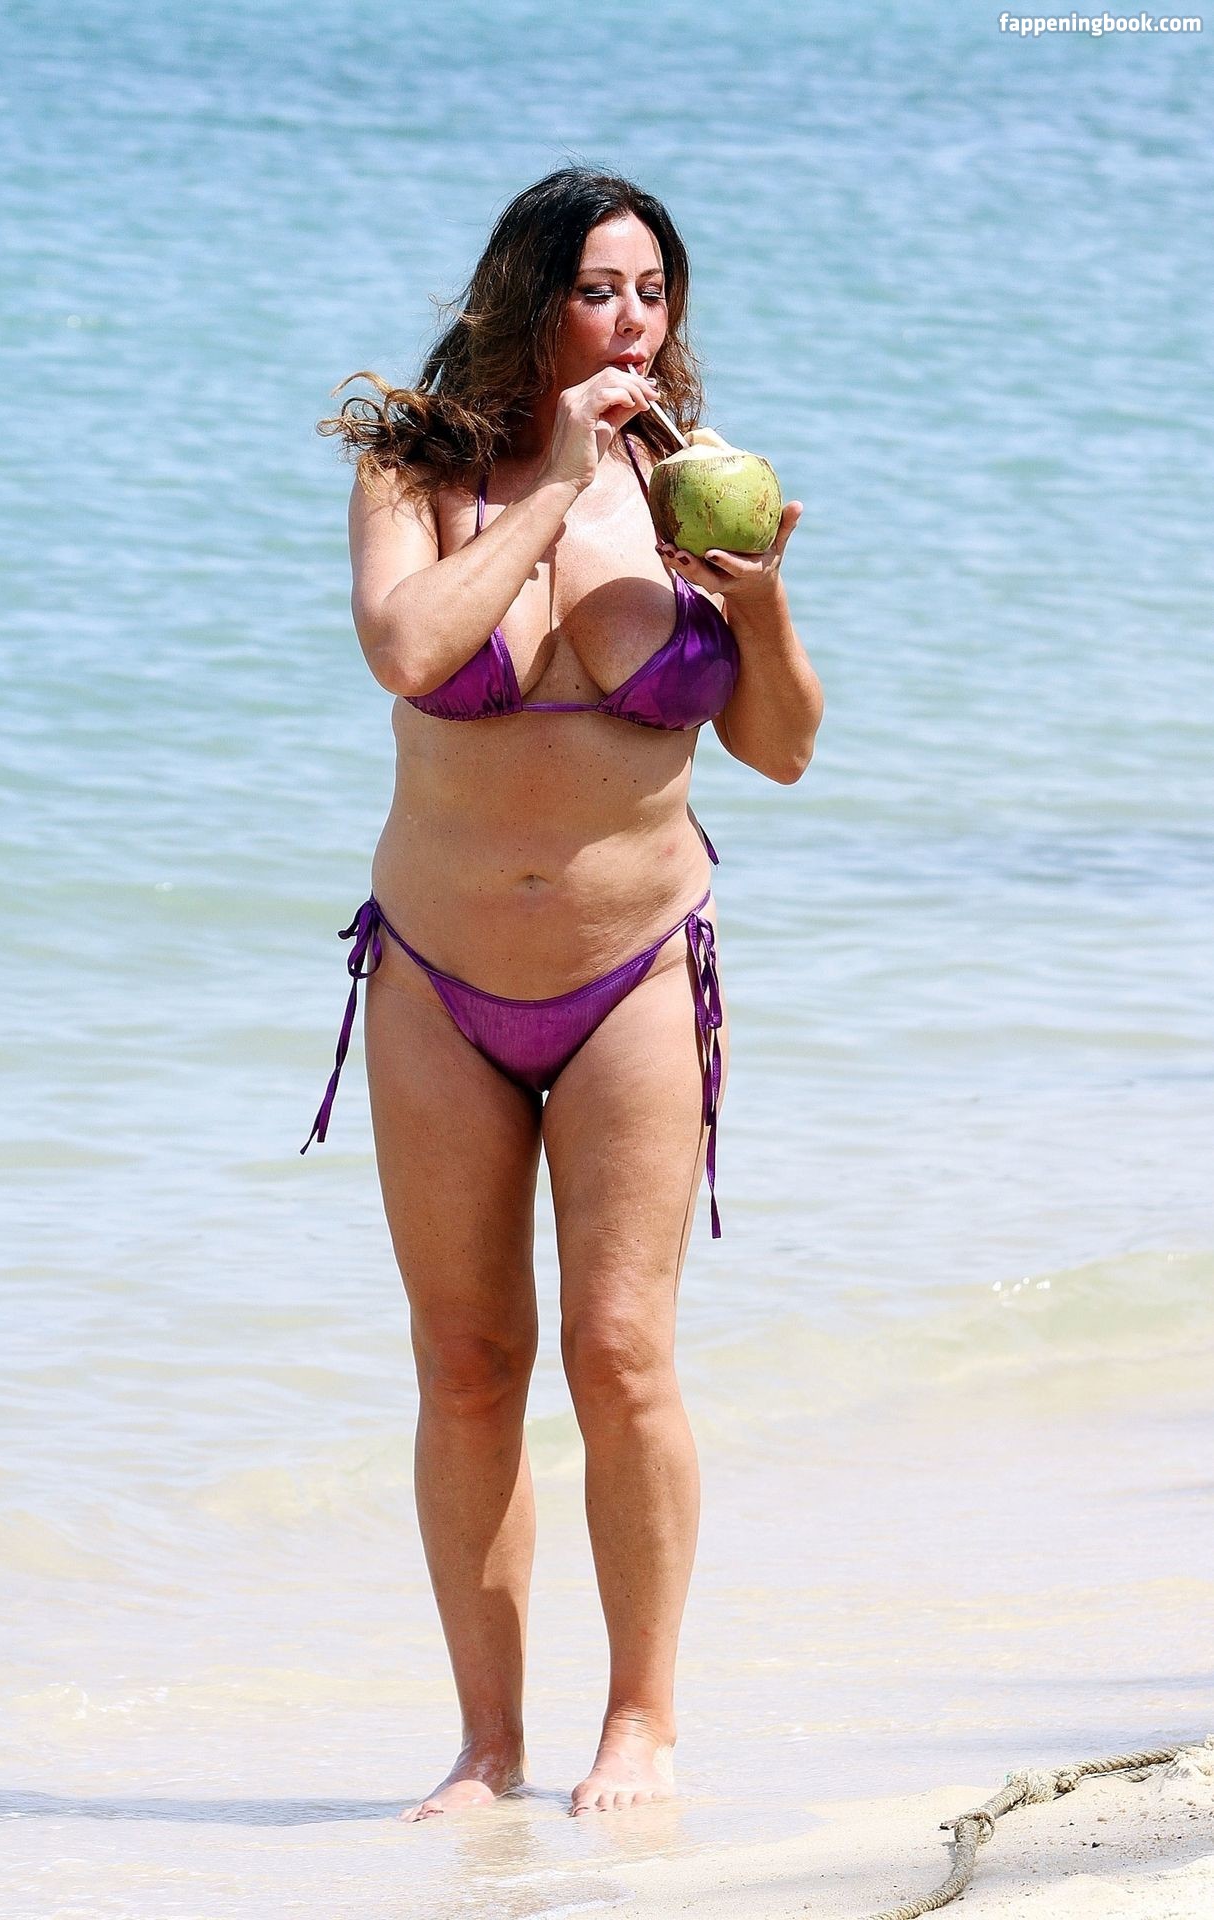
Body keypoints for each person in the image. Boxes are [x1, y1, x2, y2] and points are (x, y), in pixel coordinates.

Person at [306, 167, 823, 1820]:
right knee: (466, 1364)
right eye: (597, 292)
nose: (629, 324)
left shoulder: (698, 484)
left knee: (618, 1354)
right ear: (527, 304)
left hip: (632, 975)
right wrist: (557, 488)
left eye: (651, 293)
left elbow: (781, 748)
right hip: (435, 979)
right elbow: (409, 650)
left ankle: (642, 1727)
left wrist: (759, 603)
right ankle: (487, 1745)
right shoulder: (415, 474)